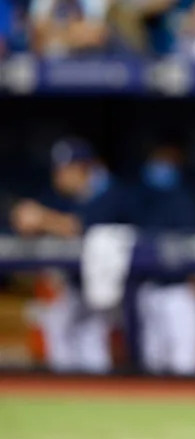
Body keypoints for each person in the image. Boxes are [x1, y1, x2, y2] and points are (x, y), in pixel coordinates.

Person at [8, 137, 134, 373]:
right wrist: (28, 216)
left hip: (120, 289)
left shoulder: (112, 192)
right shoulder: (64, 195)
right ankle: (67, 395)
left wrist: (42, 218)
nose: (59, 176)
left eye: (66, 170)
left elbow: (76, 227)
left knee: (93, 342)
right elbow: (35, 215)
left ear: (83, 168)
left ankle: (101, 397)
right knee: (59, 328)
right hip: (79, 285)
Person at [133, 135, 195, 375]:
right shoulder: (139, 198)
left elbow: (192, 241)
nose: (161, 166)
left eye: (168, 161)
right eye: (158, 160)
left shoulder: (182, 199)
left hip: (178, 290)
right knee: (152, 361)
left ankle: (190, 411)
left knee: (184, 361)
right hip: (147, 287)